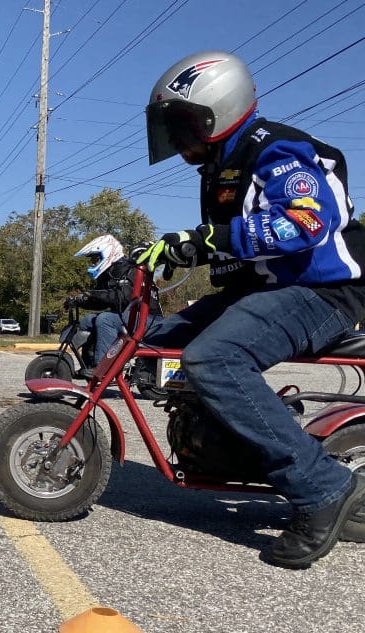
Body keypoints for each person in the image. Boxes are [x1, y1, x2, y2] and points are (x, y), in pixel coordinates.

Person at [137, 51, 365, 568]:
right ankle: (219, 441)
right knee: (153, 341)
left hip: (324, 291)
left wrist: (204, 239)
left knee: (214, 358)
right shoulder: (223, 164)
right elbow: (229, 250)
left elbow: (307, 224)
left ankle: (323, 486)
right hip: (264, 291)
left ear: (218, 110)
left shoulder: (279, 151)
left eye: (182, 126)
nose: (177, 141)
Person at [66, 235, 162, 376]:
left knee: (105, 320)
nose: (93, 263)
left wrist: (93, 295)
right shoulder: (110, 273)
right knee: (87, 321)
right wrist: (80, 301)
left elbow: (124, 297)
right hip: (129, 317)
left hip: (149, 319)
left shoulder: (130, 270)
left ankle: (103, 368)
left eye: (95, 259)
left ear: (108, 253)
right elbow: (102, 299)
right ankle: (89, 364)